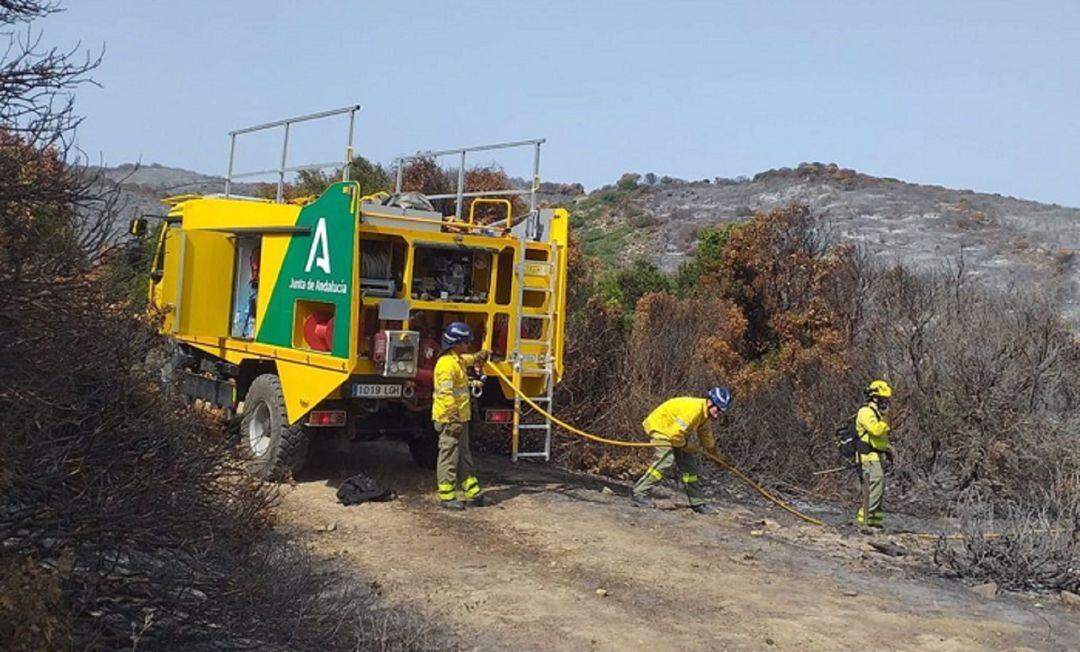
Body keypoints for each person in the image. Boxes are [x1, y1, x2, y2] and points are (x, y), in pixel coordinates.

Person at [630, 387, 732, 514]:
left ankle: (697, 503)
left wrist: (717, 457)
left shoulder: (704, 416)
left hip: (675, 434)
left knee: (690, 467)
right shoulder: (693, 410)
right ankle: (639, 492)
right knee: (666, 460)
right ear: (710, 402)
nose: (718, 414)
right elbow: (674, 435)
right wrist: (686, 445)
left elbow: (707, 439)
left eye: (721, 411)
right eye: (717, 409)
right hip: (661, 428)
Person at [432, 321, 490, 510]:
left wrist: (478, 357)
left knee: (464, 455)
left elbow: (467, 359)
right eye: (465, 343)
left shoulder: (456, 360)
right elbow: (445, 394)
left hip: (460, 419)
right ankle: (447, 496)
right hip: (450, 420)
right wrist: (453, 418)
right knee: (449, 456)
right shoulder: (446, 365)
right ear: (456, 343)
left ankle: (473, 492)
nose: (467, 346)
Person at [856, 379, 893, 529]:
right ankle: (863, 522)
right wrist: (885, 420)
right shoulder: (865, 412)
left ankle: (875, 523)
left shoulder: (877, 413)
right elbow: (875, 430)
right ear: (874, 397)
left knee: (878, 490)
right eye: (883, 399)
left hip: (878, 456)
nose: (885, 402)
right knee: (874, 487)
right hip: (868, 458)